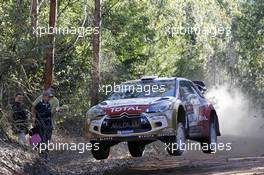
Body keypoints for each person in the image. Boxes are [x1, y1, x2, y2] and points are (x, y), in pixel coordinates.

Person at [31, 90, 53, 159]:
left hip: (48, 125)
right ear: (44, 97)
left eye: (50, 97)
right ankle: (41, 155)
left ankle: (46, 155)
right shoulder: (39, 104)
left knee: (47, 140)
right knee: (41, 140)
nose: (49, 98)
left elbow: (49, 114)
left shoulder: (49, 104)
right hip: (40, 125)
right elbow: (34, 110)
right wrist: (34, 119)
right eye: (48, 96)